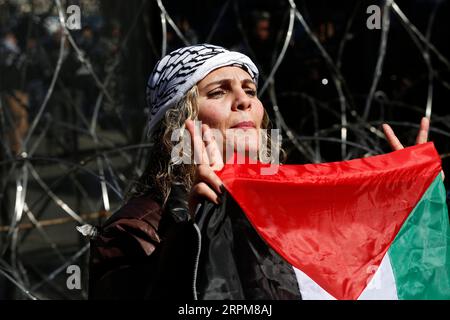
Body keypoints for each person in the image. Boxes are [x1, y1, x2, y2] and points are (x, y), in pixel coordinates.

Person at [87, 44, 432, 299]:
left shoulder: (288, 207)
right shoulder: (131, 230)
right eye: (219, 91)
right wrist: (184, 227)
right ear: (178, 124)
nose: (244, 100)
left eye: (250, 90)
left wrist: (415, 204)